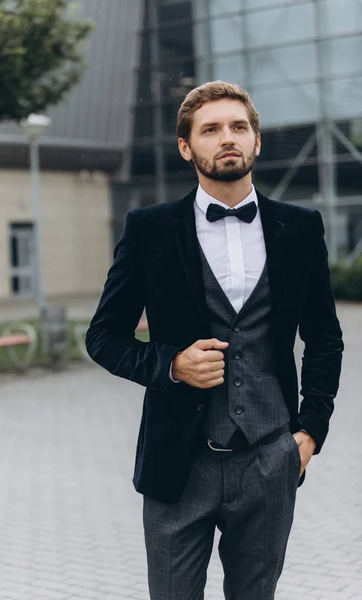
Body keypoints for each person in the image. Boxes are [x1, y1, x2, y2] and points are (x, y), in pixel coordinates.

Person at [85, 81, 344, 600]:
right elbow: (103, 336)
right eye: (211, 129)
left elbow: (324, 338)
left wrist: (311, 431)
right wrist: (171, 365)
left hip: (270, 460)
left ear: (256, 142)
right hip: (179, 464)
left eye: (238, 127)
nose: (227, 138)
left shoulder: (300, 227)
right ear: (187, 147)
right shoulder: (150, 229)